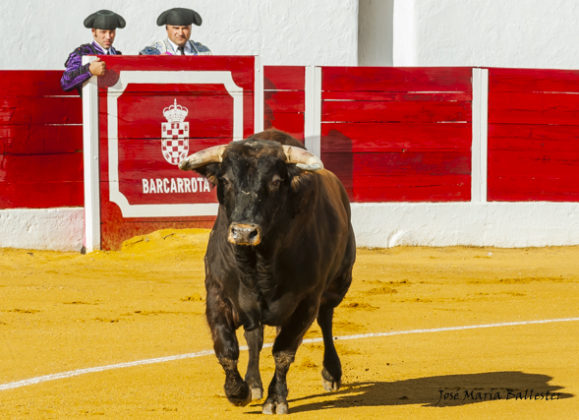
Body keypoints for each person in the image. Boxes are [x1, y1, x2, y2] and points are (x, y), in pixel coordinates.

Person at [60, 10, 126, 93]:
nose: (108, 37)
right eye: (103, 32)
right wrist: (89, 70)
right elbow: (65, 83)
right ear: (94, 32)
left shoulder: (118, 55)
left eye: (111, 32)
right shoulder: (82, 53)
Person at [140, 8, 211, 55]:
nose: (180, 33)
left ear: (190, 29)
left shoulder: (202, 51)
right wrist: (156, 63)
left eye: (185, 28)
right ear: (167, 29)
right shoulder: (155, 50)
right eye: (176, 28)